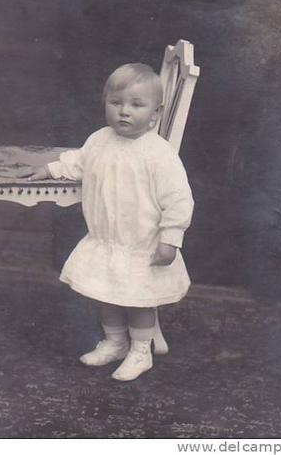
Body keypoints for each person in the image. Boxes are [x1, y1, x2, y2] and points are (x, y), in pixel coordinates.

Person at [19, 63, 194, 381]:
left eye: (136, 105)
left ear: (155, 113)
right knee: (107, 294)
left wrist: (171, 238)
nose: (124, 112)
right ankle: (115, 342)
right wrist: (52, 169)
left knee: (140, 299)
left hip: (142, 244)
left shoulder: (159, 154)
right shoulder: (100, 139)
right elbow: (78, 162)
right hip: (107, 240)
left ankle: (141, 351)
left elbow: (179, 200)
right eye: (117, 103)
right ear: (106, 104)